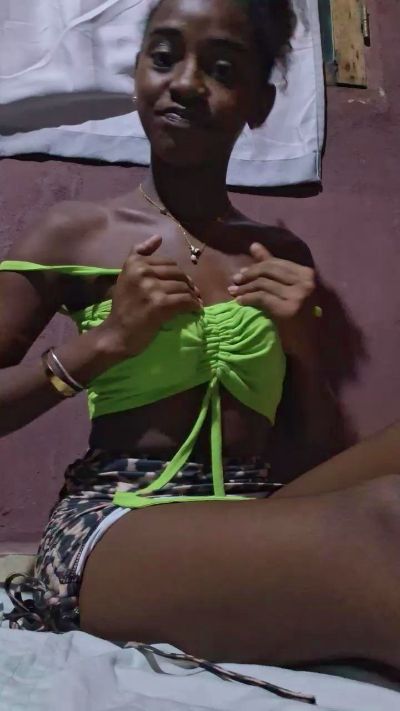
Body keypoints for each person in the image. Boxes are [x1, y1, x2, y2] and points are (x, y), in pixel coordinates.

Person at [1, 0, 400, 684]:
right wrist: (105, 344)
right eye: (164, 57)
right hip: (119, 518)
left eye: (221, 68)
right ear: (137, 73)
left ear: (260, 103)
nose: (185, 82)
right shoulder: (72, 232)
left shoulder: (278, 255)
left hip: (255, 509)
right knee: (384, 524)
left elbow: (308, 451)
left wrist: (303, 347)